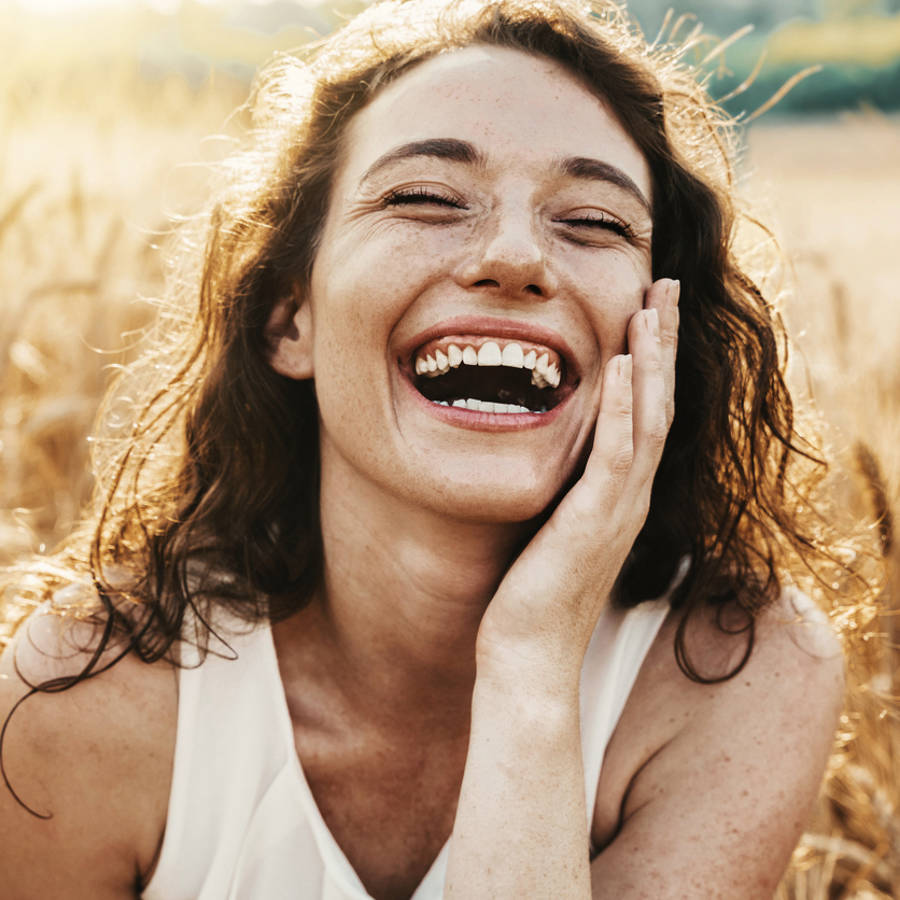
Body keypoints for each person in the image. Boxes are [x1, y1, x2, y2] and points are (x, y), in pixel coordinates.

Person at [0, 0, 863, 897]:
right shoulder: (87, 697)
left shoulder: (734, 671)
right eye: (424, 197)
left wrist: (531, 665)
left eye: (597, 221)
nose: (517, 254)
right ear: (287, 319)